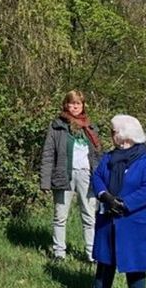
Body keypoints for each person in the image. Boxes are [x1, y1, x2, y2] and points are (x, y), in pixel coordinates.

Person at [91, 115, 146, 288]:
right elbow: (97, 177)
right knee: (105, 261)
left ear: (123, 135)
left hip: (134, 220)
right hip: (108, 218)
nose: (111, 135)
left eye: (113, 131)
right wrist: (105, 196)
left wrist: (124, 203)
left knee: (135, 263)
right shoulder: (109, 157)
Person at [40, 90, 102, 261]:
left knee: (89, 216)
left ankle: (91, 254)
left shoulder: (90, 127)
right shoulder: (57, 126)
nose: (74, 107)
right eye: (71, 103)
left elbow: (97, 155)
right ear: (65, 104)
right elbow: (48, 153)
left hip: (87, 175)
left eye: (78, 104)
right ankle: (59, 252)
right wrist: (45, 181)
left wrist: (101, 178)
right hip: (63, 174)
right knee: (60, 216)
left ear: (83, 106)